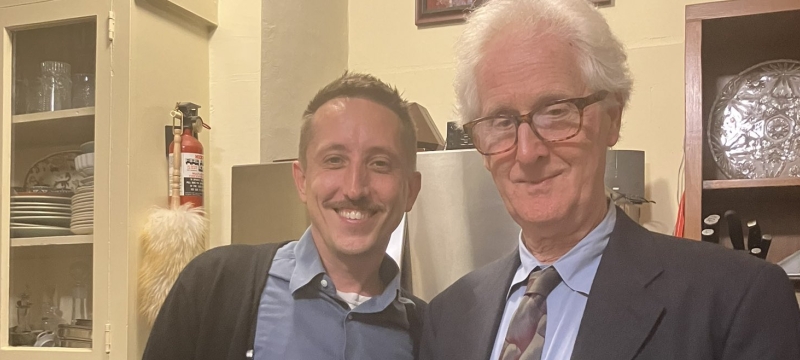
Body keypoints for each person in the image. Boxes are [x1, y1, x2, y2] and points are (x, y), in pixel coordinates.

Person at [420, 1, 800, 359]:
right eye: (501, 122)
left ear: (612, 118)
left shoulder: (736, 299)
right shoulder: (448, 317)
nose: (527, 152)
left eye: (555, 112)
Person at [143, 72, 424, 360]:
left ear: (410, 191)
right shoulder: (215, 286)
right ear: (302, 180)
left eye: (379, 163)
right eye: (334, 160)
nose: (354, 188)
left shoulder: (429, 335)